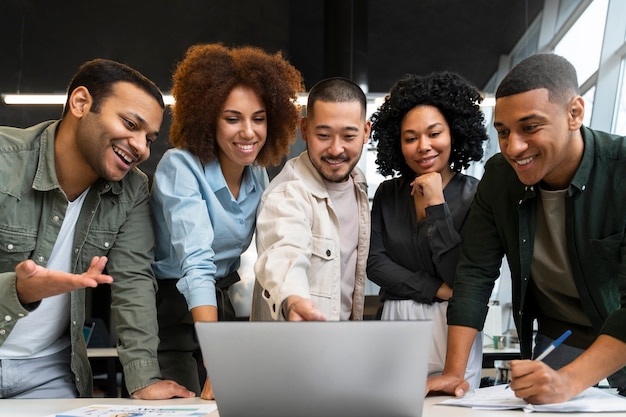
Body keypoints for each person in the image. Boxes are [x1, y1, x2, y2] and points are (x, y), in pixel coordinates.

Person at [426, 53, 626, 404]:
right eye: (503, 132)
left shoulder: (621, 169)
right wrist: (454, 374)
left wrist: (569, 382)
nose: (513, 147)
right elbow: (475, 273)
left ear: (575, 113)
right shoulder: (500, 179)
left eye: (530, 127)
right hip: (560, 341)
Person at [0, 58, 194, 399]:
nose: (140, 147)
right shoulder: (5, 160)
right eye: (130, 124)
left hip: (49, 371)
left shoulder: (132, 190)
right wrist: (16, 290)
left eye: (149, 138)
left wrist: (144, 379)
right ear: (80, 103)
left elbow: (133, 281)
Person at [150, 43, 303, 399]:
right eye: (232, 118)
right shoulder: (180, 166)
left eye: (259, 118)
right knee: (186, 403)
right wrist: (217, 363)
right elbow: (197, 262)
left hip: (219, 305)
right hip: (170, 309)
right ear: (208, 119)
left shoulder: (258, 175)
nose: (248, 132)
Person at [367, 72, 489, 391]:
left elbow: (462, 276)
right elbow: (375, 263)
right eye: (410, 138)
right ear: (398, 143)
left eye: (434, 133)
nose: (423, 147)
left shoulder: (477, 196)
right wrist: (436, 288)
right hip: (396, 322)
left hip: (454, 326)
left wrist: (436, 205)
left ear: (455, 134)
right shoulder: (388, 194)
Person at [250, 77, 371, 322]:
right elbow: (285, 252)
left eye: (348, 136)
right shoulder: (288, 193)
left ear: (366, 132)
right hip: (293, 350)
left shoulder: (358, 183)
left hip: (340, 346)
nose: (336, 149)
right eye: (324, 135)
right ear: (305, 129)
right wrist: (293, 301)